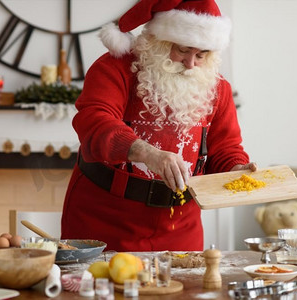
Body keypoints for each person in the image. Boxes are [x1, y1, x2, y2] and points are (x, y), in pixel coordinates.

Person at [61, 0, 257, 252]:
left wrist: (236, 168)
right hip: (104, 219)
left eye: (201, 54)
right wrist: (146, 153)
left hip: (180, 228)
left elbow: (224, 149)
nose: (191, 63)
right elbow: (94, 121)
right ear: (159, 40)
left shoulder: (218, 89)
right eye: (183, 50)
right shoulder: (114, 68)